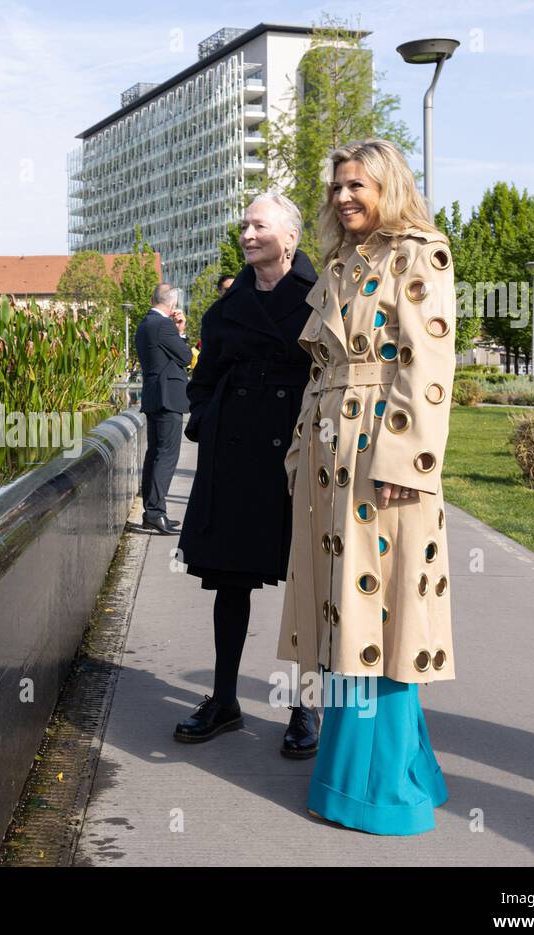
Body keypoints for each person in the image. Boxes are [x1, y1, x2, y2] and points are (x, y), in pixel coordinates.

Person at [276, 138, 457, 835]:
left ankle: (380, 791)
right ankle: (400, 770)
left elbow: (429, 366)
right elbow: (318, 371)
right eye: (338, 187)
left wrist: (402, 465)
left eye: (358, 185)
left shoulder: (419, 252)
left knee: (380, 615)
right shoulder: (341, 262)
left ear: (388, 185)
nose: (345, 197)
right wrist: (299, 454)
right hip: (329, 462)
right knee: (341, 612)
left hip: (381, 460)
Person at [175, 191, 325, 756]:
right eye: (244, 225)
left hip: (298, 457)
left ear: (289, 236)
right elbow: (202, 378)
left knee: (306, 586)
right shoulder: (226, 308)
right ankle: (223, 699)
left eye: (258, 225)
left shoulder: (322, 298)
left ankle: (305, 706)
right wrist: (207, 421)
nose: (247, 233)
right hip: (233, 459)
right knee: (228, 583)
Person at [135, 283, 192, 535]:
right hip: (167, 398)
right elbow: (185, 357)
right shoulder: (164, 325)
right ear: (172, 304)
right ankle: (156, 513)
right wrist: (181, 332)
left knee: (155, 455)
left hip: (154, 396)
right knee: (166, 457)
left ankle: (152, 513)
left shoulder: (145, 323)